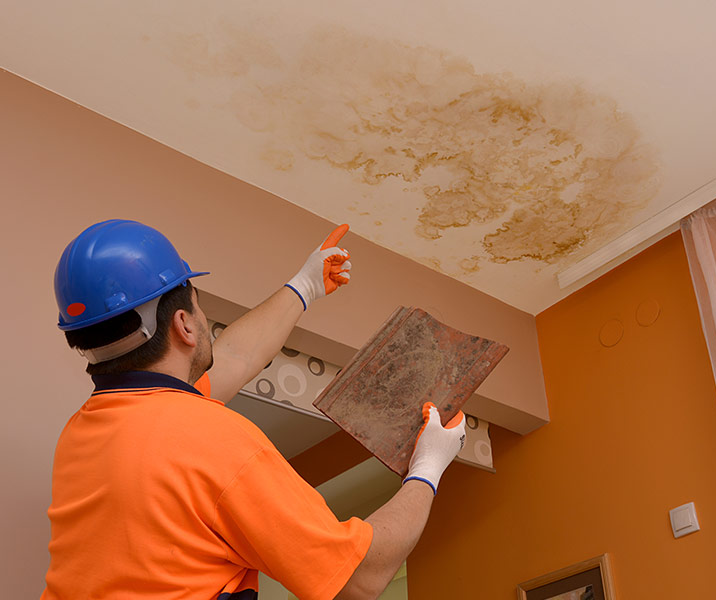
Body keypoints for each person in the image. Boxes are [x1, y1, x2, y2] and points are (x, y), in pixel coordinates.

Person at [43, 219, 465, 600]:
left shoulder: (83, 433)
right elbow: (358, 578)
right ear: (184, 324)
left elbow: (234, 358)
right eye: (198, 305)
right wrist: (427, 470)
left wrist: (304, 287)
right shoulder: (213, 439)